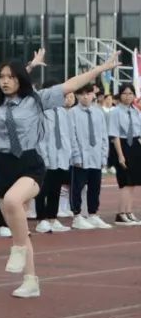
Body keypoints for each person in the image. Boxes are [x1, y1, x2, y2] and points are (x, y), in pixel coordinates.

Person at [0, 56, 116, 298]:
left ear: (20, 79)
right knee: (20, 228)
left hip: (29, 163)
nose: (5, 82)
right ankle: (30, 280)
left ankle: (17, 247)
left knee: (15, 202)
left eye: (10, 77)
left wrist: (101, 69)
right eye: (2, 77)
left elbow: (70, 85)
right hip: (4, 165)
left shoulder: (36, 100)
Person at [68, 84, 112, 229]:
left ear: (93, 95)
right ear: (77, 96)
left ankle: (93, 214)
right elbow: (72, 136)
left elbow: (104, 135)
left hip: (96, 156)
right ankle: (77, 215)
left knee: (95, 187)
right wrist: (76, 156)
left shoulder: (98, 112)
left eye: (88, 93)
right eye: (81, 94)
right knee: (77, 187)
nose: (85, 96)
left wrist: (104, 156)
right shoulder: (72, 113)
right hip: (80, 157)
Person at [34, 83, 74, 234]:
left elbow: (67, 134)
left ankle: (52, 217)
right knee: (42, 188)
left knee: (56, 188)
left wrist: (68, 152)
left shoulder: (63, 112)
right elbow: (39, 136)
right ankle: (41, 219)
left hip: (61, 155)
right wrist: (42, 155)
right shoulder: (41, 112)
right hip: (45, 155)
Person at [109, 84, 141, 225]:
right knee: (125, 182)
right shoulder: (115, 112)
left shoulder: (135, 111)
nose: (128, 96)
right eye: (125, 93)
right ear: (120, 95)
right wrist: (120, 155)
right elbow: (114, 135)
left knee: (133, 182)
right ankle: (121, 213)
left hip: (135, 146)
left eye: (130, 94)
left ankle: (129, 211)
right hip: (121, 145)